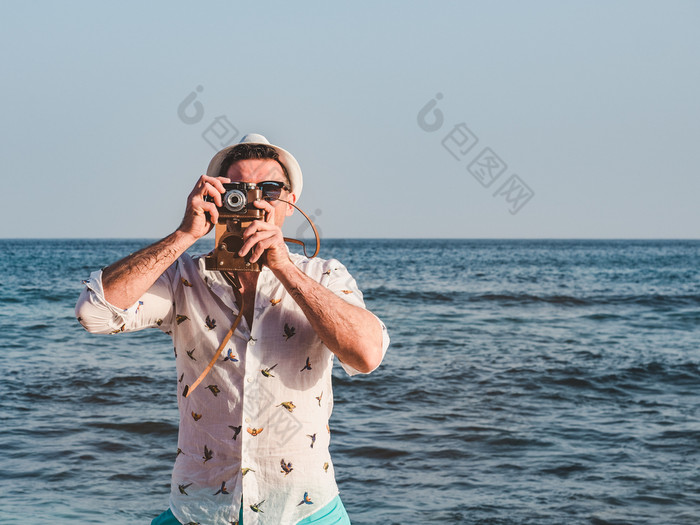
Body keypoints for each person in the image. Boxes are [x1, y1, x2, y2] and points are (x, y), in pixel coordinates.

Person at [75, 133, 390, 525]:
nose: (256, 201)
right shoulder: (183, 278)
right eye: (238, 189)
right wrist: (184, 235)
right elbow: (95, 313)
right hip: (199, 509)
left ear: (290, 202)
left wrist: (285, 269)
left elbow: (366, 355)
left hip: (304, 508)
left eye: (270, 190)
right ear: (217, 196)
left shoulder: (324, 275)